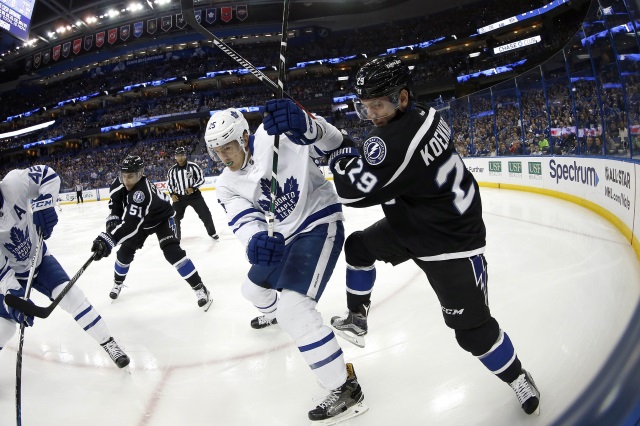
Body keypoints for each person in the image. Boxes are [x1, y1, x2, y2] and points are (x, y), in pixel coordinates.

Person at [315, 56, 540, 415]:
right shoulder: (425, 115)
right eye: (365, 106)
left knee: (473, 333)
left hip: (450, 244)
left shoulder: (396, 139)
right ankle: (357, 317)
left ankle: (517, 376)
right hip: (417, 221)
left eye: (378, 105)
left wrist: (339, 152)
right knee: (358, 247)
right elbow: (385, 163)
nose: (371, 113)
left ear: (402, 98)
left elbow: (354, 192)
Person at [204, 107, 366, 423]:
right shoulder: (226, 183)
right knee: (251, 289)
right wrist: (254, 241)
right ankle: (275, 315)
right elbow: (243, 220)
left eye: (228, 147)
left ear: (244, 138)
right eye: (217, 150)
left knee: (295, 310)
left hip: (317, 221)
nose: (223, 156)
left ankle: (345, 387)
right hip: (284, 237)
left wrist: (307, 125)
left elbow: (335, 142)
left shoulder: (273, 136)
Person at [0, 165, 129, 368]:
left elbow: (48, 175)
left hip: (39, 258)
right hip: (13, 275)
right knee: (4, 327)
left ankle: (108, 342)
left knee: (73, 296)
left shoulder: (14, 183)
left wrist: (44, 203)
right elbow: (2, 275)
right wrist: (12, 299)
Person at [90, 155, 212, 311]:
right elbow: (116, 207)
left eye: (131, 176)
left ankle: (200, 288)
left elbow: (131, 225)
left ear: (140, 174)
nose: (126, 180)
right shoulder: (117, 184)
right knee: (124, 254)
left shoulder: (142, 192)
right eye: (124, 176)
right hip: (142, 221)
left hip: (162, 219)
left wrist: (108, 239)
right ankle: (118, 283)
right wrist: (112, 222)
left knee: (172, 253)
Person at [167, 146, 219, 241]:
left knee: (205, 214)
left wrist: (193, 188)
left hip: (195, 196)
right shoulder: (172, 171)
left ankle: (212, 233)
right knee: (174, 217)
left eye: (182, 155)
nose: (180, 158)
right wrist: (172, 194)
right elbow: (170, 184)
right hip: (179, 198)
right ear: (175, 157)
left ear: (185, 155)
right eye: (178, 156)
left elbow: (201, 179)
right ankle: (176, 238)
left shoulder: (193, 166)